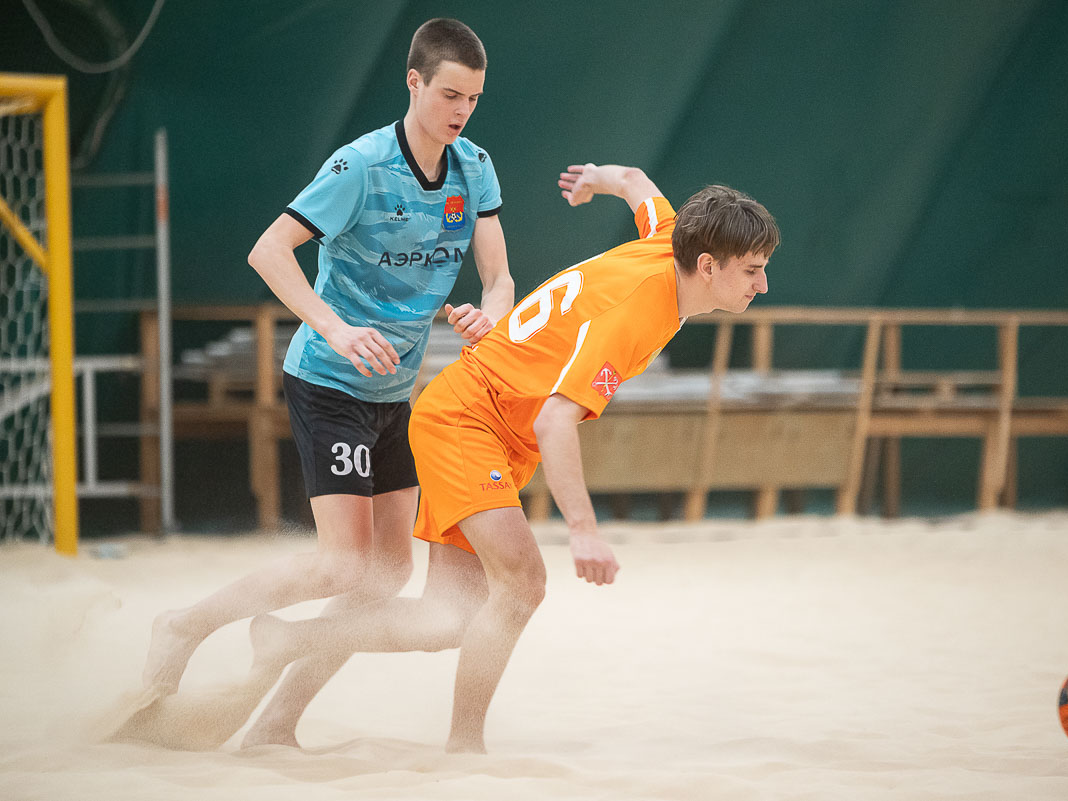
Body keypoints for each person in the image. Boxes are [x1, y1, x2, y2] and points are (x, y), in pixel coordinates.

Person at [245, 161, 780, 753]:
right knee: (522, 583)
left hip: (483, 422)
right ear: (708, 266)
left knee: (446, 619)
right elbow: (555, 420)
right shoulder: (636, 311)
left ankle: (278, 710)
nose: (762, 285)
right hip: (469, 421)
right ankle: (458, 742)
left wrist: (593, 178)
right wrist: (584, 531)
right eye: (752, 270)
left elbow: (633, 180)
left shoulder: (668, 235)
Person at [141, 18, 515, 749]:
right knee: (343, 564)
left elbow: (499, 277)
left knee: (385, 578)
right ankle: (183, 625)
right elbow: (268, 251)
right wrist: (336, 328)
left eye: (473, 97)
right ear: (413, 82)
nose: (462, 110)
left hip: (395, 394)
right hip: (329, 383)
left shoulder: (474, 168)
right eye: (450, 95)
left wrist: (489, 312)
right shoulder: (362, 166)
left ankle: (276, 724)